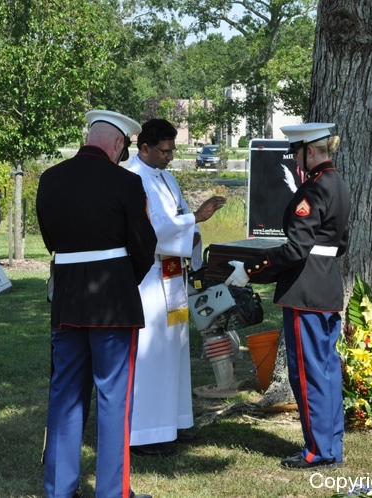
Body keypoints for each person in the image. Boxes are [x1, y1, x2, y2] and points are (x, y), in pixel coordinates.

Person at [36, 109, 157, 498]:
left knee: (65, 396)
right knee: (113, 399)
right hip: (113, 304)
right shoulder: (127, 182)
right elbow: (145, 246)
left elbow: (51, 240)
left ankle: (59, 489)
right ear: (119, 143)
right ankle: (112, 491)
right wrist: (123, 279)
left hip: (67, 299)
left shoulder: (50, 179)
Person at [225, 122, 350, 470]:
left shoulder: (313, 189)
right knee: (326, 370)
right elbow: (341, 243)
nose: (294, 160)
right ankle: (331, 445)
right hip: (326, 286)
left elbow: (296, 249)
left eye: (296, 153)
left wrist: (251, 270)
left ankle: (317, 452)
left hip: (304, 291)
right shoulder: (338, 184)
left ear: (309, 151)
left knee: (308, 373)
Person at [126, 118, 226, 456]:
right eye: (164, 151)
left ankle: (174, 422)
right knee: (151, 351)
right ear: (144, 148)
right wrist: (195, 219)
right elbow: (152, 229)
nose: (169, 157)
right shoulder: (132, 178)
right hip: (149, 277)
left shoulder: (166, 178)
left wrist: (192, 234)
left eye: (172, 151)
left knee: (176, 349)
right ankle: (144, 433)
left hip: (173, 275)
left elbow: (178, 218)